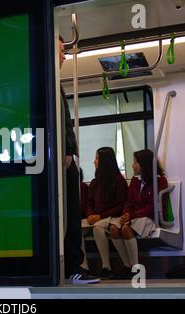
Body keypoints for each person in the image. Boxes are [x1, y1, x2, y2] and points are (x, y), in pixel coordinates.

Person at [59, 36, 100, 284]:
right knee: (67, 215)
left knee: (71, 215)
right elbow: (60, 122)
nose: (64, 55)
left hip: (66, 157)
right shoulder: (48, 81)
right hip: (62, 158)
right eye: (61, 50)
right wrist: (66, 151)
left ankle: (73, 265)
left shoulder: (55, 82)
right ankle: (71, 267)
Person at [109, 149, 168, 279]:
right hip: (135, 215)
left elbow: (153, 206)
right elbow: (129, 202)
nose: (132, 165)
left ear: (144, 164)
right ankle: (127, 266)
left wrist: (132, 216)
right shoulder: (135, 181)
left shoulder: (160, 181)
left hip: (150, 217)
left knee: (125, 229)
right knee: (113, 229)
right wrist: (125, 214)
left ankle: (136, 268)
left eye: (135, 162)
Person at [85, 147, 128, 279]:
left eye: (97, 158)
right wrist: (90, 215)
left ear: (104, 161)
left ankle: (114, 266)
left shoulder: (118, 181)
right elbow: (89, 203)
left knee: (100, 228)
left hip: (113, 216)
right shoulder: (95, 182)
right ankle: (94, 267)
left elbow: (121, 205)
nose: (94, 161)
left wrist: (99, 216)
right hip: (98, 218)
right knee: (86, 228)